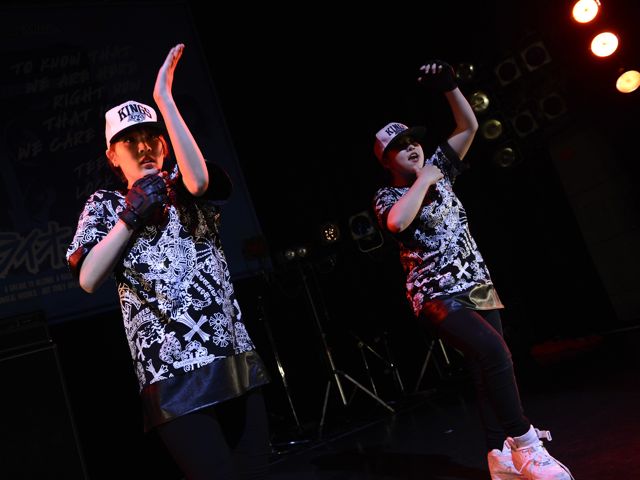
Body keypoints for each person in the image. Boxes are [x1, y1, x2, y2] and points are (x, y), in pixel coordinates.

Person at [66, 43, 271, 480]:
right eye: (129, 141)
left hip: (233, 358)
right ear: (112, 155)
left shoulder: (183, 183)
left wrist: (165, 98)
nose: (143, 147)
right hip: (171, 376)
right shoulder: (104, 205)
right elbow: (87, 277)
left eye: (150, 138)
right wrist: (130, 217)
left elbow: (199, 181)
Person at [371, 60, 575, 480]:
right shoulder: (388, 195)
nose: (413, 148)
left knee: (486, 368)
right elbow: (396, 223)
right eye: (401, 147)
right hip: (436, 295)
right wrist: (425, 179)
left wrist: (450, 87)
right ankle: (526, 444)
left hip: (477, 283)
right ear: (387, 161)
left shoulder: (439, 169)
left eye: (414, 141)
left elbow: (468, 127)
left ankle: (498, 455)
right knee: (496, 353)